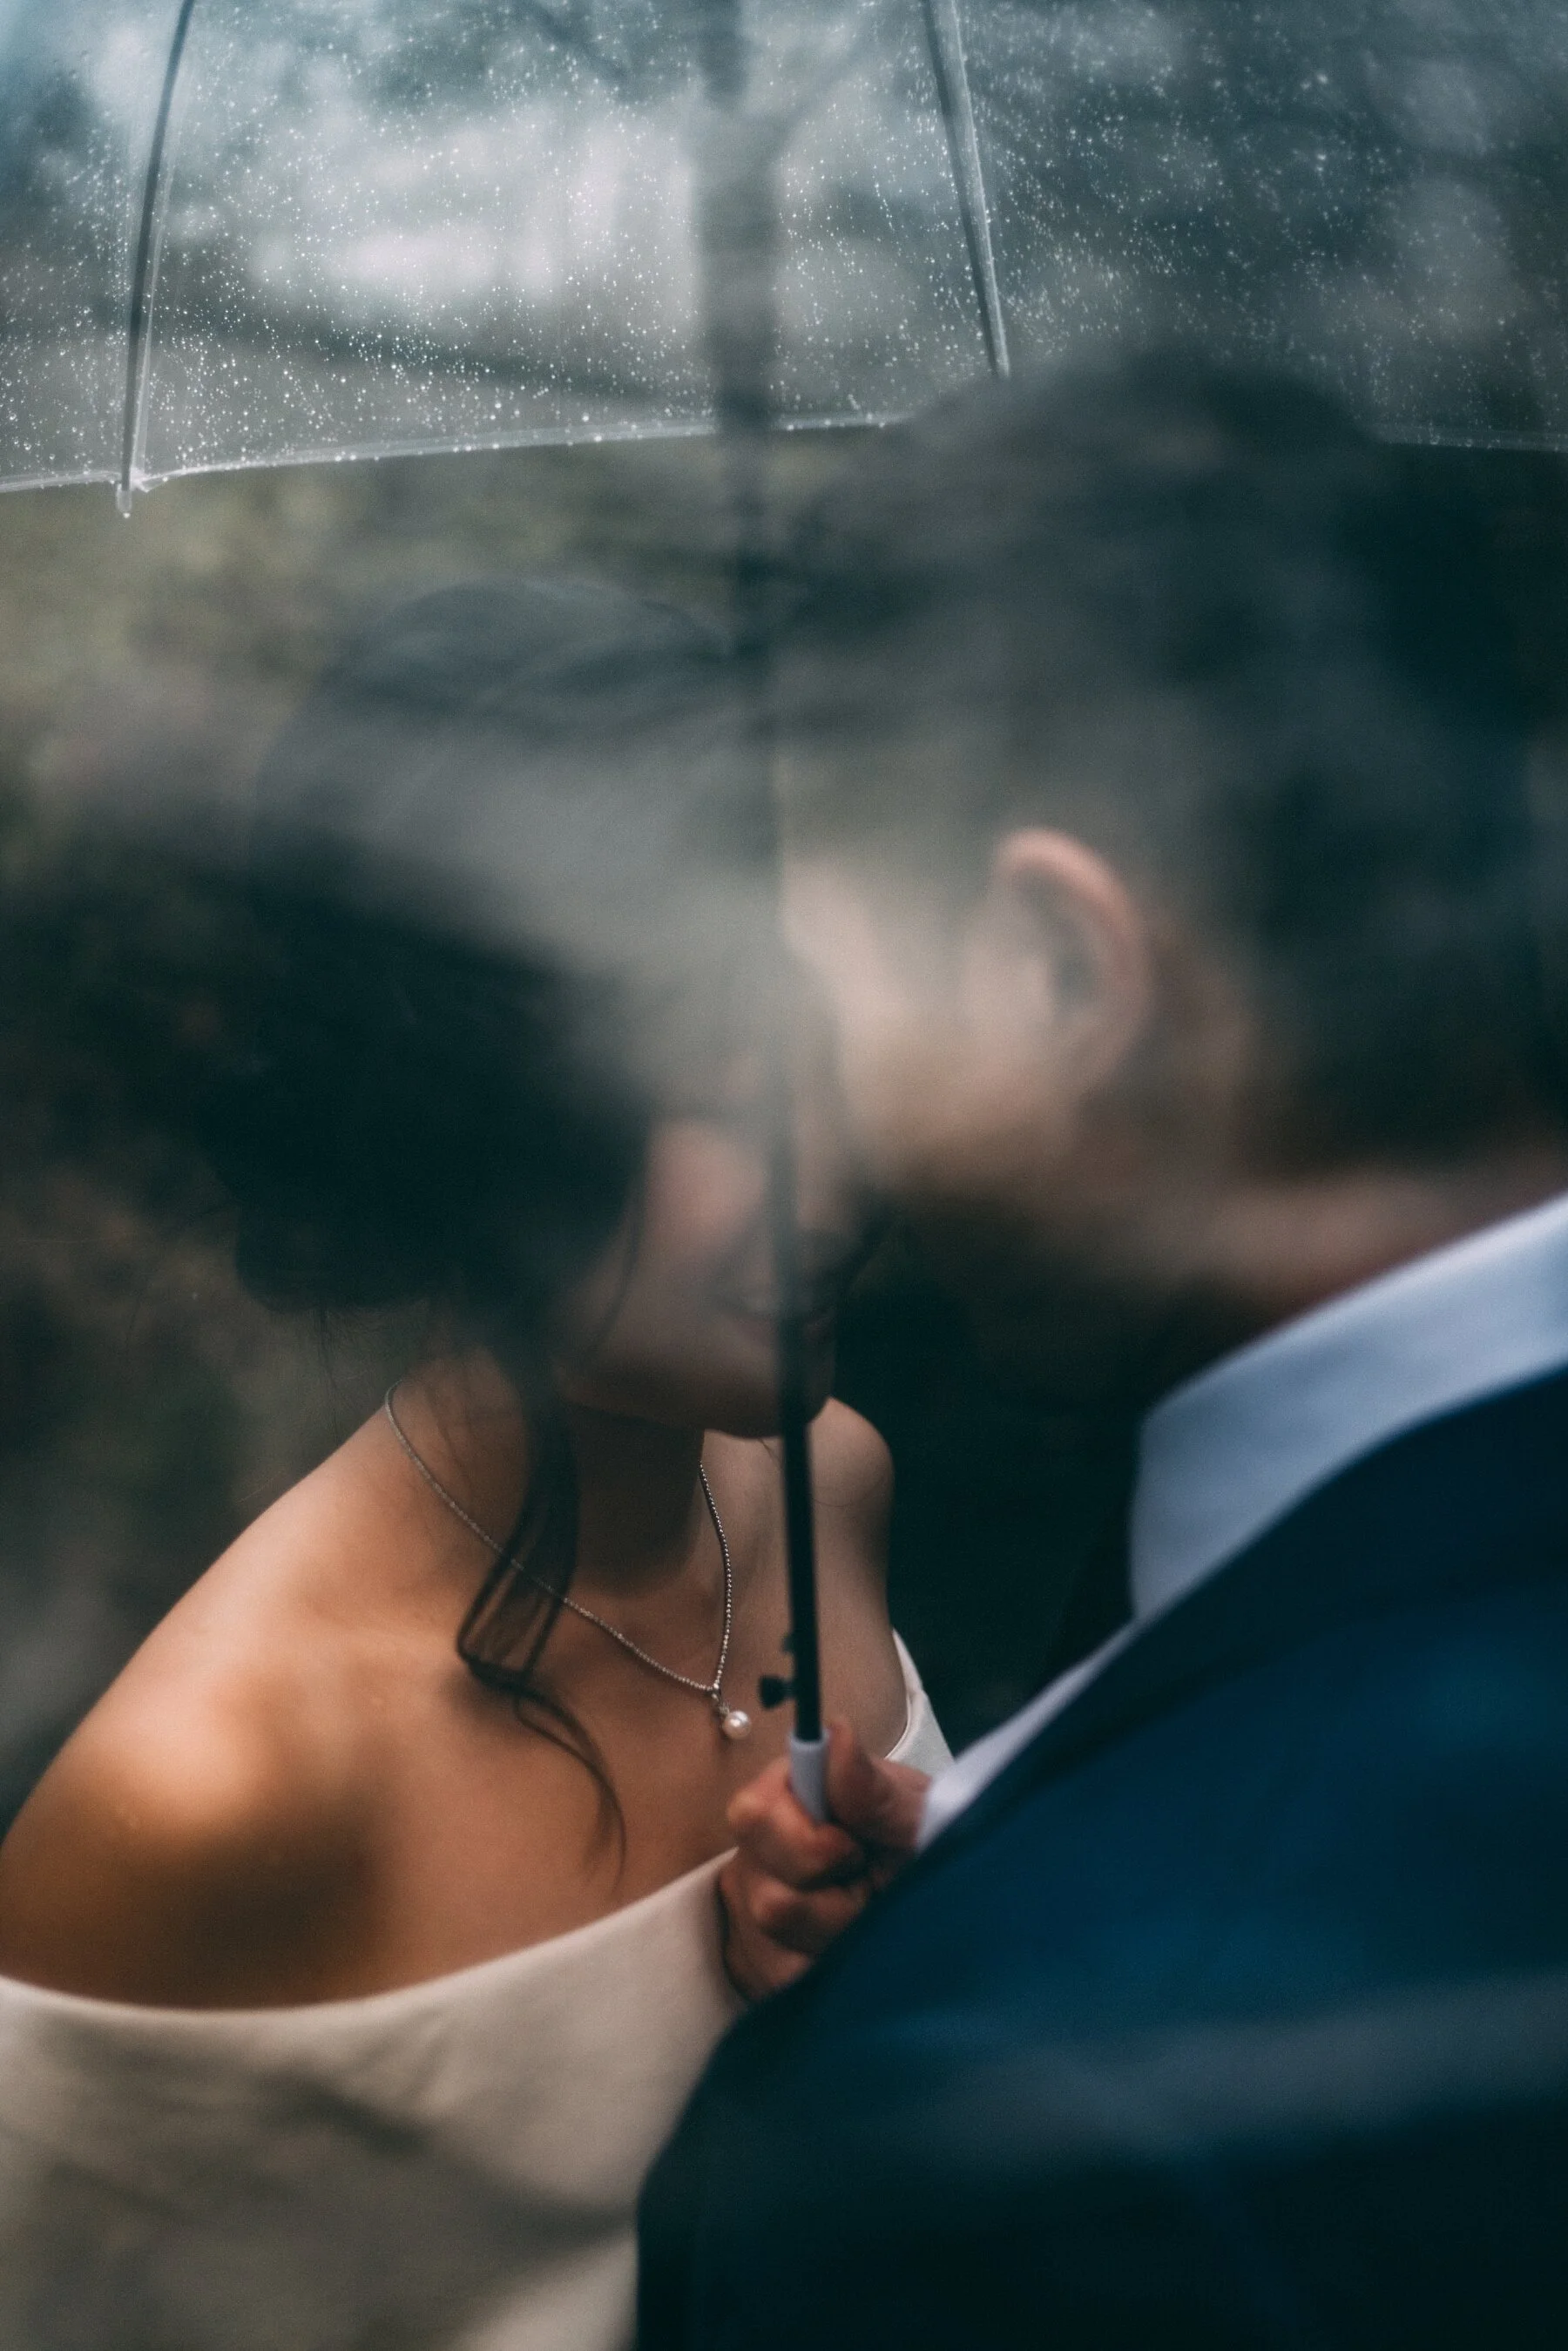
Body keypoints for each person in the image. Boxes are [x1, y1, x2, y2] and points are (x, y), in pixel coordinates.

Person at [637, 357, 1568, 2348]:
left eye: (837, 999)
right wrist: (1019, 1850)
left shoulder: (979, 2137)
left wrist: (1007, 1969)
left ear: (1064, 970)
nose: (845, 1136)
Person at [0, 580, 948, 2351]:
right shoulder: (209, 1792)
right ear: (459, 1115)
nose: (830, 1170)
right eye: (699, 1073)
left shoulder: (833, 1483)